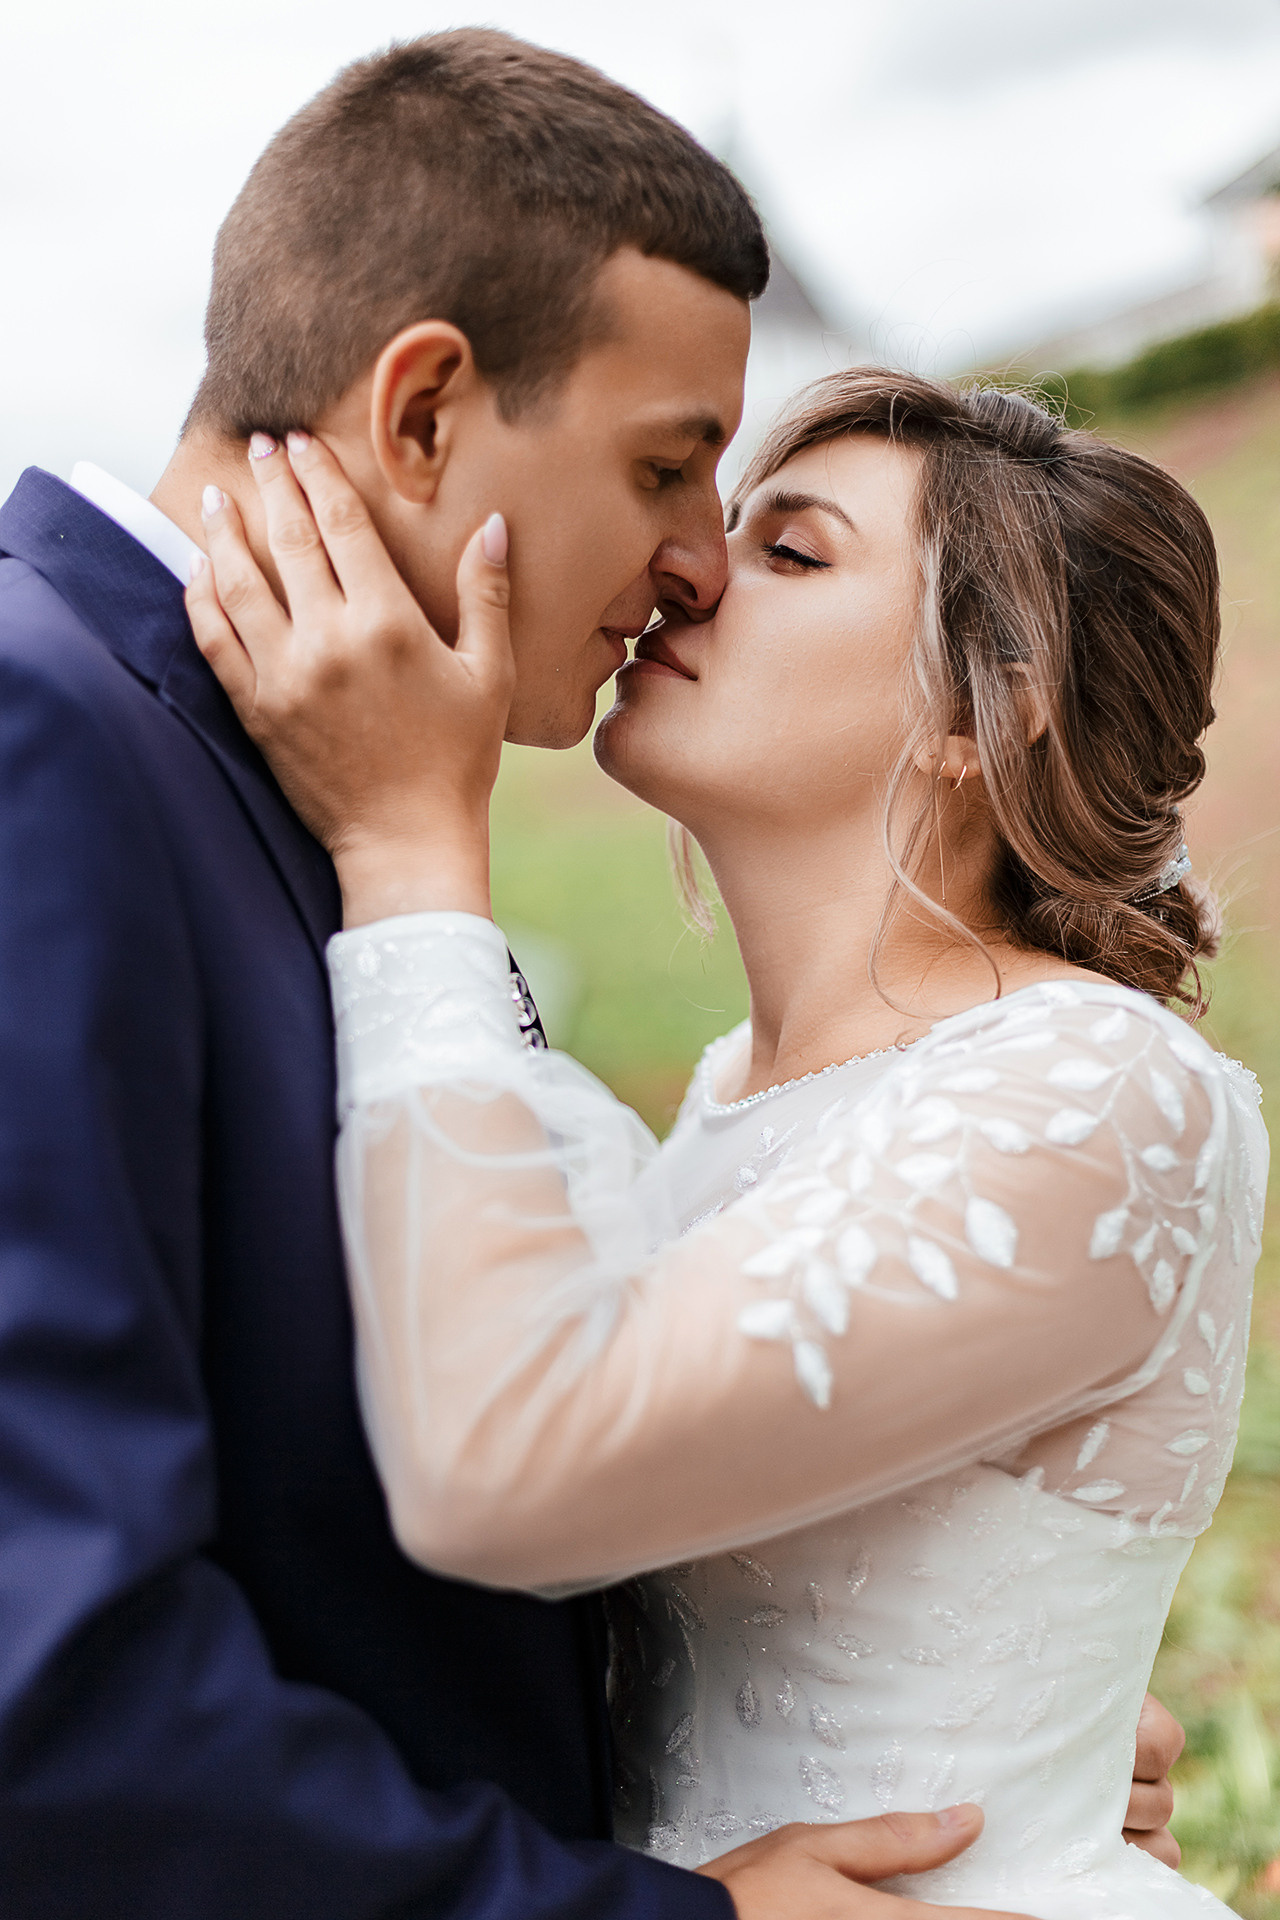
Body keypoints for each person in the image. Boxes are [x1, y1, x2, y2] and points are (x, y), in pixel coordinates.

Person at [0, 26, 1182, 1920]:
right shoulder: (42, 735)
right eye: (667, 466)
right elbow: (48, 1680)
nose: (695, 560)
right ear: (421, 416)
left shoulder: (293, 784)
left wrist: (958, 1710)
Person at [186, 366, 1265, 1917]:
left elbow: (508, 1466)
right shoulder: (725, 1101)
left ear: (988, 709)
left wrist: (416, 850)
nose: (691, 571)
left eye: (792, 550)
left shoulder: (1100, 1090)